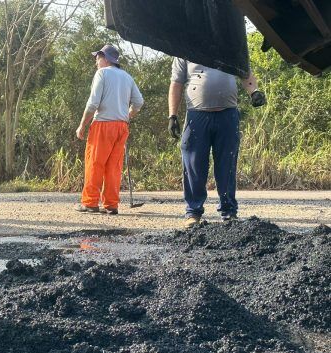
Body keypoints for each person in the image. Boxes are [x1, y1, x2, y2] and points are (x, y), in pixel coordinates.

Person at [168, 58, 266, 228]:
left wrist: (254, 91)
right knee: (193, 164)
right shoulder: (183, 48)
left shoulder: (229, 44)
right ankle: (193, 212)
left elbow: (245, 73)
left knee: (227, 164)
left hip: (227, 115)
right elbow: (176, 83)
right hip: (196, 115)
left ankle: (229, 211)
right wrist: (172, 115)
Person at [75, 44, 144, 215]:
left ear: (105, 58)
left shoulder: (102, 73)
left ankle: (90, 203)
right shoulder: (127, 77)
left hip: (103, 124)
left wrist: (82, 125)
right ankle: (111, 204)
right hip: (121, 126)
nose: (96, 63)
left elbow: (92, 104)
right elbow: (139, 102)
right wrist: (128, 115)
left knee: (95, 163)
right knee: (114, 166)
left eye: (97, 59)